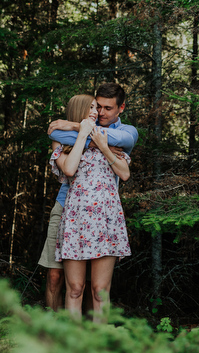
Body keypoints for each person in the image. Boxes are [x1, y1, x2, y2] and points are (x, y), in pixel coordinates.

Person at [37, 83, 138, 311]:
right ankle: (56, 333)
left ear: (121, 108)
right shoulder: (79, 135)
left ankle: (92, 338)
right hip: (67, 207)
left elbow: (124, 143)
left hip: (102, 213)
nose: (100, 113)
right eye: (96, 106)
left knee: (97, 287)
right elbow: (54, 133)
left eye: (106, 108)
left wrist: (78, 128)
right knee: (59, 278)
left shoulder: (127, 132)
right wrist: (93, 137)